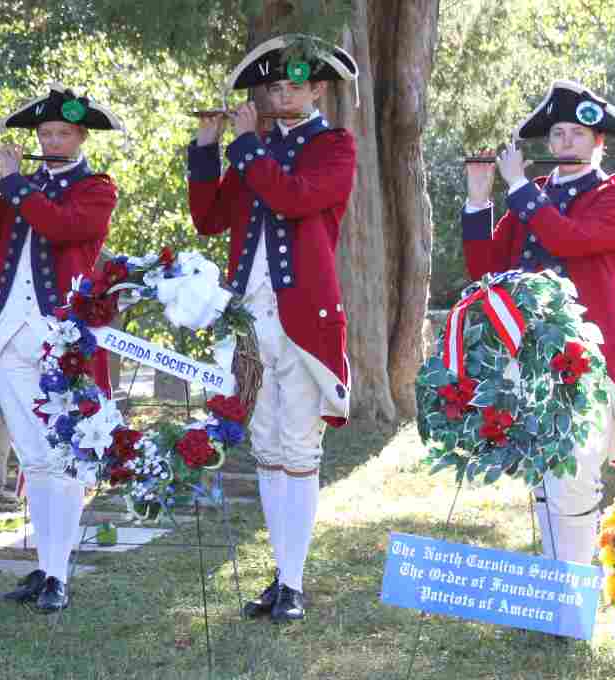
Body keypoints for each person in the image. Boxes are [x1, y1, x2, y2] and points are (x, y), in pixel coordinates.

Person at [186, 34, 359, 622]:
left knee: (299, 445)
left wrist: (245, 147)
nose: (281, 93)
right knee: (264, 446)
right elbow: (209, 219)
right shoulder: (249, 149)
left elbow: (293, 198)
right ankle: (281, 577)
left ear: (317, 89)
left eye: (293, 84)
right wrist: (208, 150)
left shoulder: (334, 145)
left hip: (304, 318)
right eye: (273, 86)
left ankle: (294, 580)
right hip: (247, 317)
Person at [0, 83, 124, 613]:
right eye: (45, 132)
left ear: (80, 137)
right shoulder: (19, 186)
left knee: (63, 458)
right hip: (7, 336)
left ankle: (57, 573)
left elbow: (64, 226)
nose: (50, 140)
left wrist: (14, 184)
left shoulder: (97, 187)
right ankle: (45, 568)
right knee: (34, 457)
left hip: (61, 342)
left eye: (61, 133)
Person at [461, 80, 615, 566]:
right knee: (543, 473)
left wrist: (518, 188)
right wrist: (480, 200)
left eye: (577, 135)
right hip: (530, 355)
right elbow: (485, 271)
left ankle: (573, 594)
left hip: (591, 358)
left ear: (598, 142)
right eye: (558, 134)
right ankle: (554, 589)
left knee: (577, 472)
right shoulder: (532, 196)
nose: (564, 143)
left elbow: (568, 240)